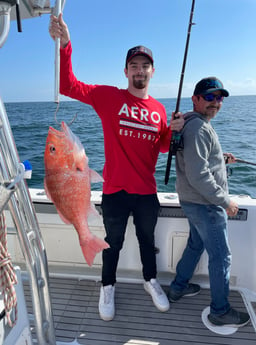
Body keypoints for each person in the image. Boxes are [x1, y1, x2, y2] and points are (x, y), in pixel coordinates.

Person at [49, 14, 184, 321]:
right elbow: (67, 85)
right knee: (113, 243)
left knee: (148, 242)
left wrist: (171, 130)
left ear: (152, 71)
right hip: (115, 190)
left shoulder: (159, 108)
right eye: (134, 65)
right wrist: (66, 44)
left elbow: (161, 146)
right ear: (126, 71)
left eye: (145, 65)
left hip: (147, 192)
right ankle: (107, 285)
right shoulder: (109, 97)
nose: (140, 70)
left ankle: (151, 281)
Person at [167, 77, 250, 327]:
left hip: (193, 202)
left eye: (220, 97)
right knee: (221, 257)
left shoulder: (192, 124)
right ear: (196, 99)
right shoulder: (199, 128)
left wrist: (221, 159)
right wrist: (226, 202)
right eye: (210, 97)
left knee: (195, 244)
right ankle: (220, 311)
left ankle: (178, 287)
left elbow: (200, 162)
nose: (216, 102)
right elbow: (199, 175)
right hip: (206, 205)